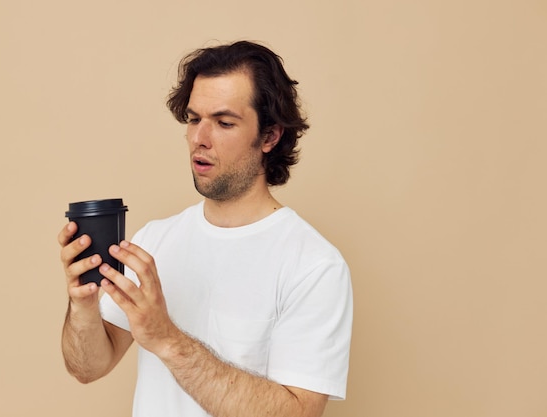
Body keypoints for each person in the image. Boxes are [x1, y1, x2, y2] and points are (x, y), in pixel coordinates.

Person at [59, 40, 353, 417]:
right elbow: (88, 367)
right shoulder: (155, 240)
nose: (200, 138)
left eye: (224, 122)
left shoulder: (314, 265)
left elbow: (297, 413)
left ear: (269, 136)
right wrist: (81, 303)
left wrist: (167, 339)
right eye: (194, 119)